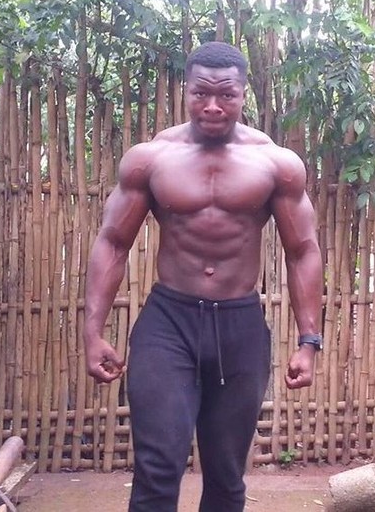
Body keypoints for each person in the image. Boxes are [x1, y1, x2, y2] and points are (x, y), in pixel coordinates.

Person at [83, 41, 324, 512]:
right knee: (157, 468)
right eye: (201, 94)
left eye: (226, 95)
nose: (213, 106)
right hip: (168, 324)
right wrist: (93, 331)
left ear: (243, 94)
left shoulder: (276, 164)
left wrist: (308, 341)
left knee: (227, 475)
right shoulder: (151, 159)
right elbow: (113, 242)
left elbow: (302, 251)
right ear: (186, 91)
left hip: (239, 328)